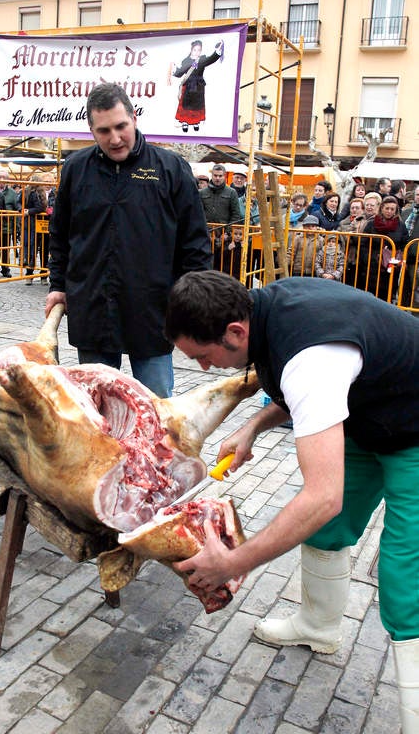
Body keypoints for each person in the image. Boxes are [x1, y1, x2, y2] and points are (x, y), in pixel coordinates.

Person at [164, 270, 419, 734]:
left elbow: (322, 496)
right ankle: (319, 626)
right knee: (328, 532)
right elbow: (307, 388)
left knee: (407, 578)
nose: (202, 368)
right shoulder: (266, 308)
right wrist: (252, 427)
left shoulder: (309, 356)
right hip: (373, 414)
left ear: (235, 332)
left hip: (416, 428)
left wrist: (233, 563)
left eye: (203, 356)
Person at [45, 82, 211, 398]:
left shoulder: (170, 168)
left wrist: (193, 301)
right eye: (104, 130)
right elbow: (61, 235)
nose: (115, 138)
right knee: (97, 408)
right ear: (91, 130)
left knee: (157, 405)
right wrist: (57, 285)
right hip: (92, 308)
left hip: (153, 311)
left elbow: (195, 243)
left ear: (134, 118)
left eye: (121, 126)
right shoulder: (76, 169)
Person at [362, 195, 409, 301]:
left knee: (387, 297)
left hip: (391, 268)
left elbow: (404, 244)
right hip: (373, 267)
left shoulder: (400, 226)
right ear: (382, 208)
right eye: (387, 208)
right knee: (371, 297)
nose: (389, 211)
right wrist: (371, 258)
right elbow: (363, 244)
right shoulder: (371, 224)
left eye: (392, 209)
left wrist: (399, 259)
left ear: (396, 210)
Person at [171, 38, 224, 133]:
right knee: (185, 105)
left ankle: (196, 122)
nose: (196, 52)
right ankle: (185, 122)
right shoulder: (186, 61)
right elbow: (181, 71)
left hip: (198, 86)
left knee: (197, 105)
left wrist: (217, 51)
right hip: (188, 86)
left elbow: (211, 59)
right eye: (195, 50)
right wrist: (175, 70)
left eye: (199, 50)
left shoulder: (202, 59)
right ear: (191, 50)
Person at [24, 173, 50, 285]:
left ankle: (43, 275)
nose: (48, 184)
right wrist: (26, 211)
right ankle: (29, 274)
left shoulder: (55, 192)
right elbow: (19, 203)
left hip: (47, 225)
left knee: (45, 250)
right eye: (46, 182)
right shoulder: (31, 193)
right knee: (32, 249)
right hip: (33, 224)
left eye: (50, 182)